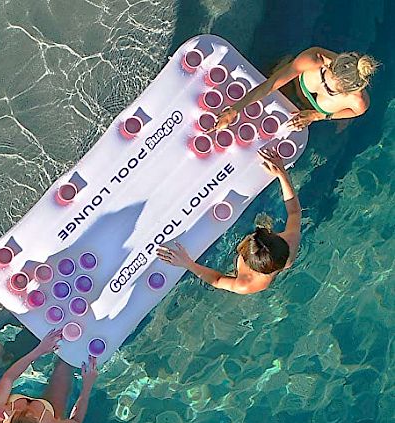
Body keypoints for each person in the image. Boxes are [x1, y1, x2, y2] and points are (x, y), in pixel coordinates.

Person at [157, 148, 301, 294]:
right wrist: (282, 174)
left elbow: (218, 280)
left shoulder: (247, 284)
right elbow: (294, 211)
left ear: (246, 260)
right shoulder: (290, 241)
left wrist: (187, 263)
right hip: (272, 259)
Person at [214, 49, 379, 131]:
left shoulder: (358, 101)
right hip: (293, 84)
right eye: (324, 76)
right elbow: (271, 85)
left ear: (348, 91)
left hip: (312, 112)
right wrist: (235, 109)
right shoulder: (315, 58)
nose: (324, 84)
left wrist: (318, 116)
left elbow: (356, 112)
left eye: (330, 90)